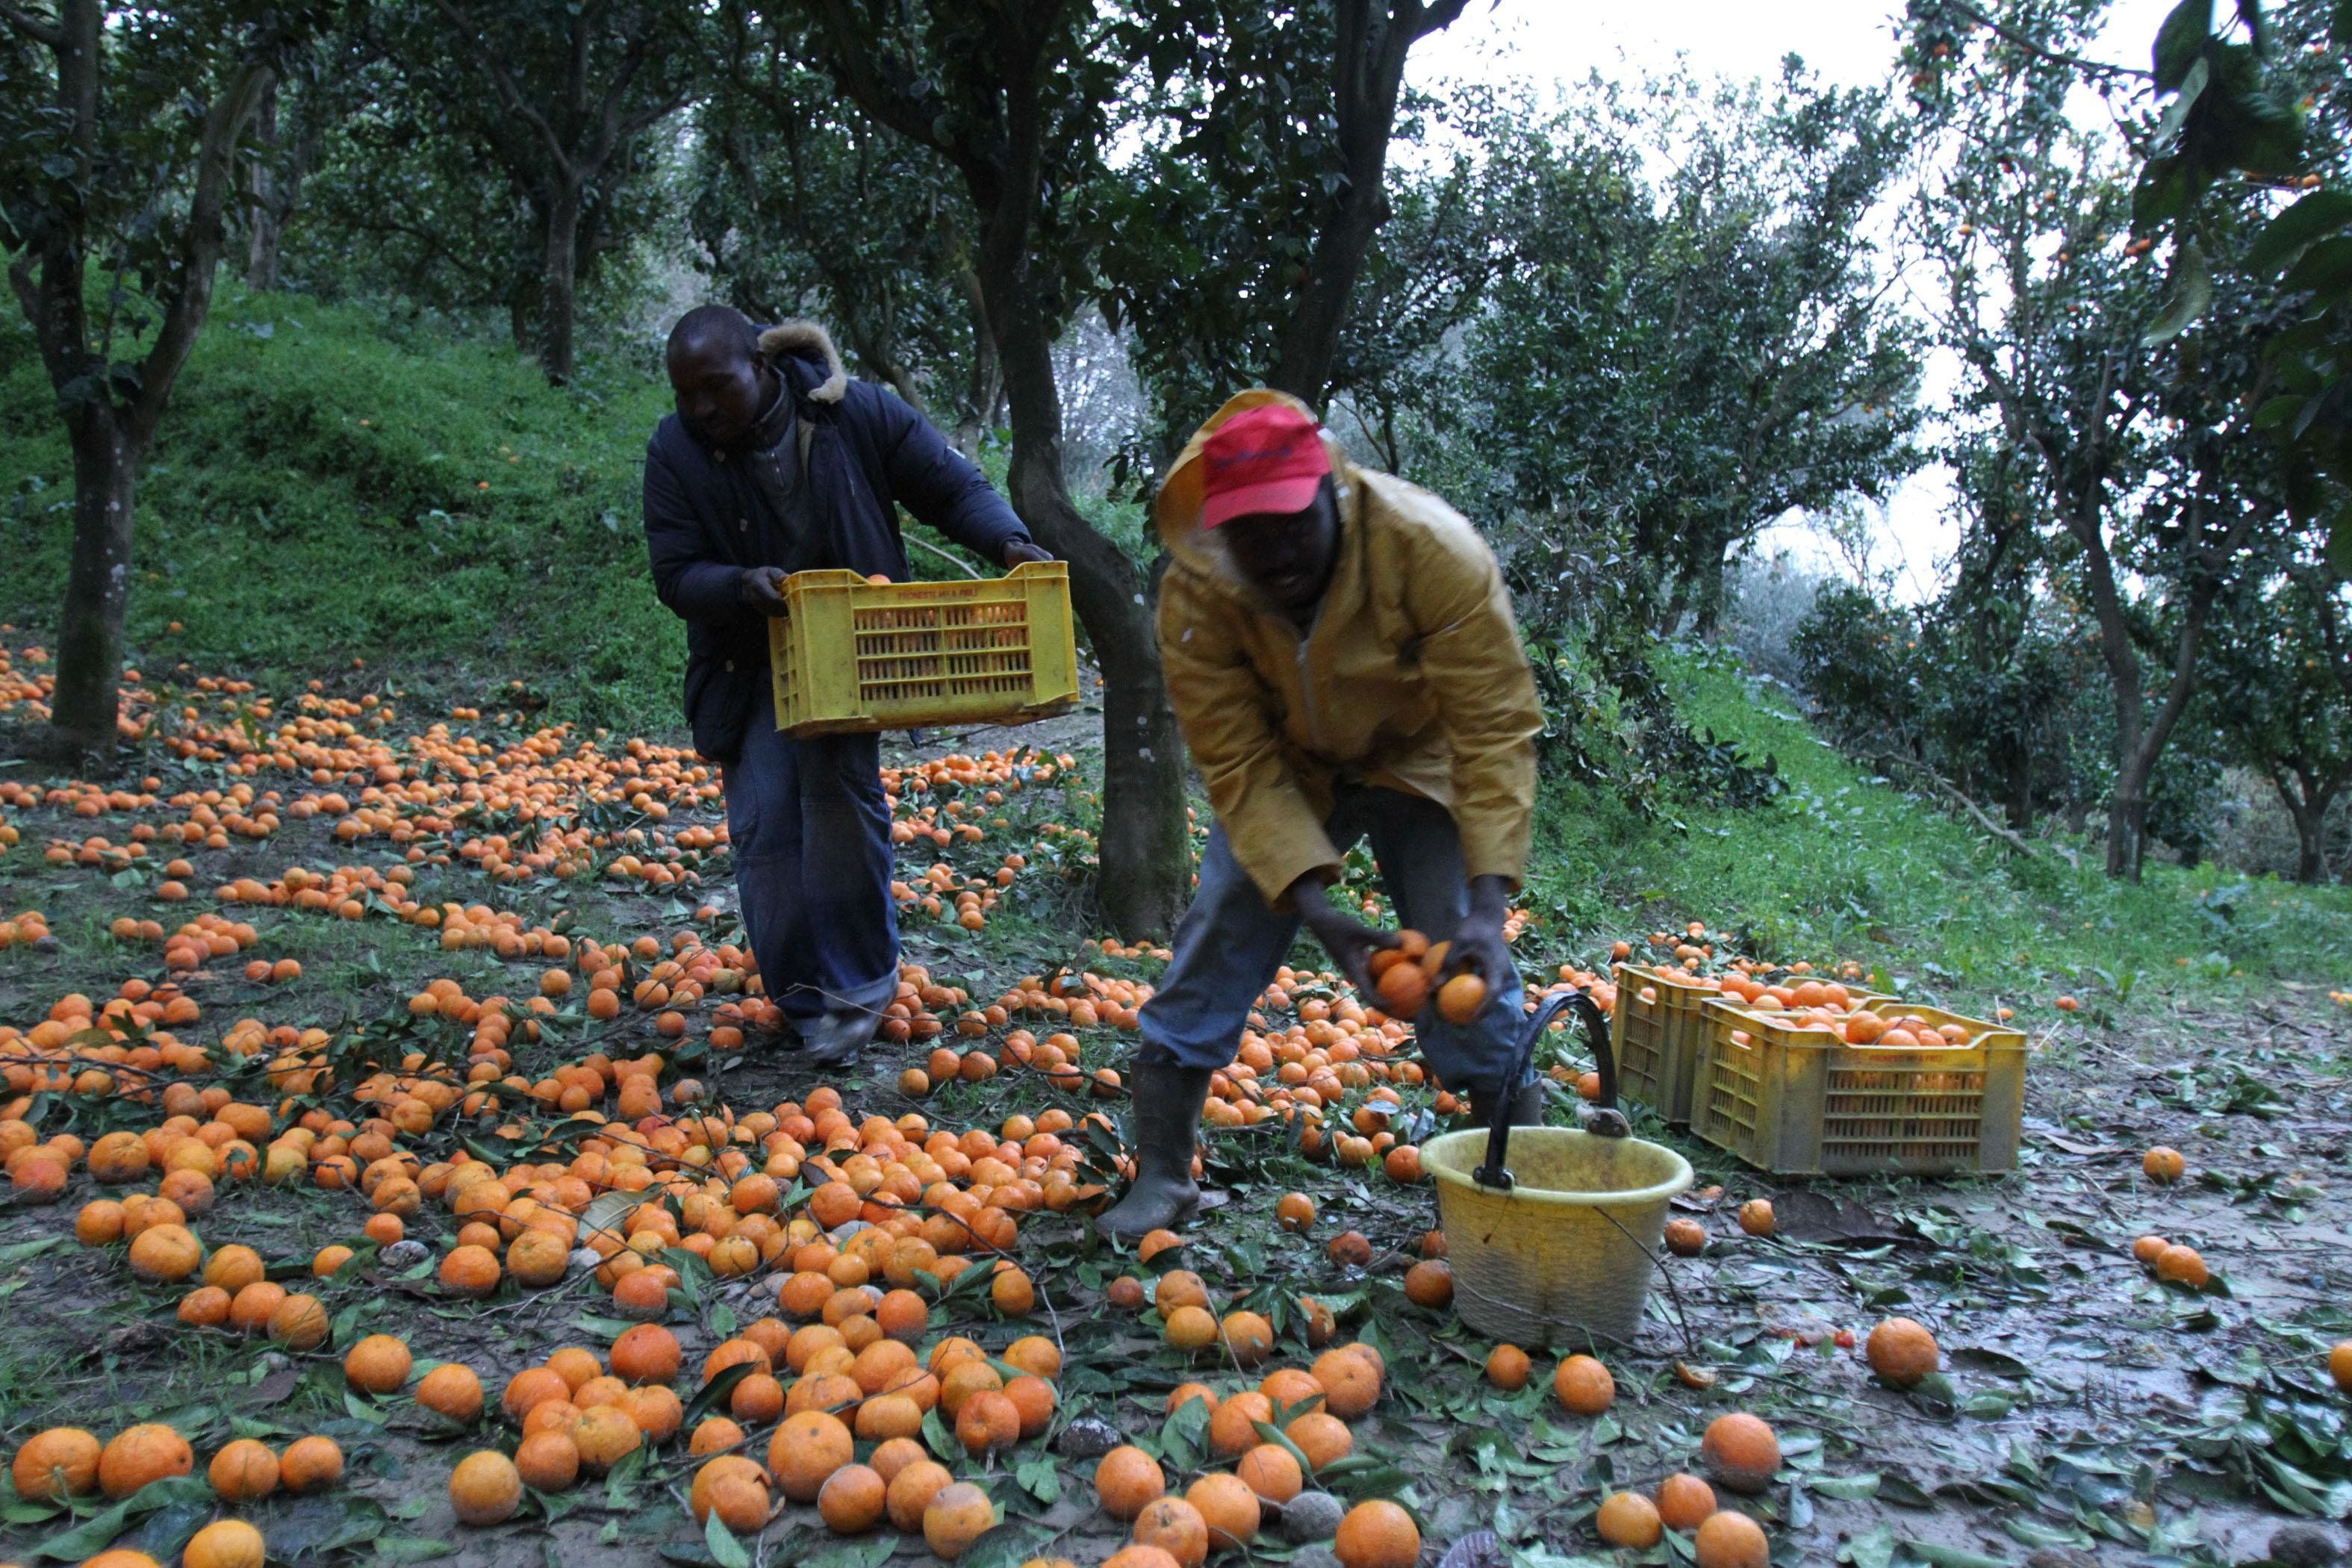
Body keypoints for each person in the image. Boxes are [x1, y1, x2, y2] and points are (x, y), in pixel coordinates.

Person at [1096, 391, 1546, 1238]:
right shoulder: (1200, 594)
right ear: (1217, 531)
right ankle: (1162, 1174)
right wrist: (1317, 910)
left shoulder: (1429, 549)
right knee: (1225, 919)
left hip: (1421, 753)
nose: (1274, 554)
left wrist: (1489, 909)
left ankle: (1519, 1163)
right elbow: (1235, 758)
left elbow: (1492, 727)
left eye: (1292, 524)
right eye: (1249, 535)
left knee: (1460, 950)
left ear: (1330, 495)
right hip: (1291, 764)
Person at [642, 306, 1050, 1063]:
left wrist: (1008, 539)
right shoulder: (677, 451)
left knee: (836, 811)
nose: (699, 408)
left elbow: (948, 486)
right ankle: (803, 999)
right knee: (766, 828)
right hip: (749, 661)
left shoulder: (850, 412)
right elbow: (674, 572)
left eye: (714, 387)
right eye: (684, 394)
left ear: (760, 367)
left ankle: (859, 991)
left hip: (849, 654)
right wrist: (739, 583)